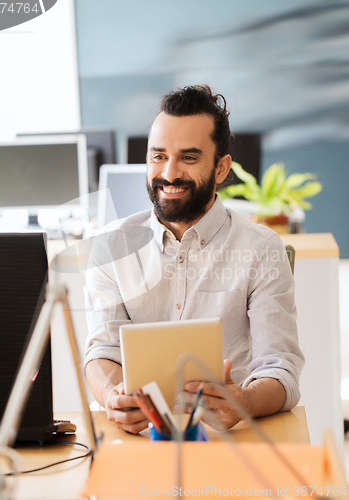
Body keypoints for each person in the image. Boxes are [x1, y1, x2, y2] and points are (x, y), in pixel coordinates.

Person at [84, 85, 305, 434]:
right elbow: (102, 351)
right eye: (158, 156)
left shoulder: (261, 248)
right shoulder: (113, 246)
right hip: (138, 440)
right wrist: (113, 395)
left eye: (188, 157)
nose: (169, 173)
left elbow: (281, 370)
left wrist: (245, 401)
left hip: (230, 438)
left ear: (221, 168)